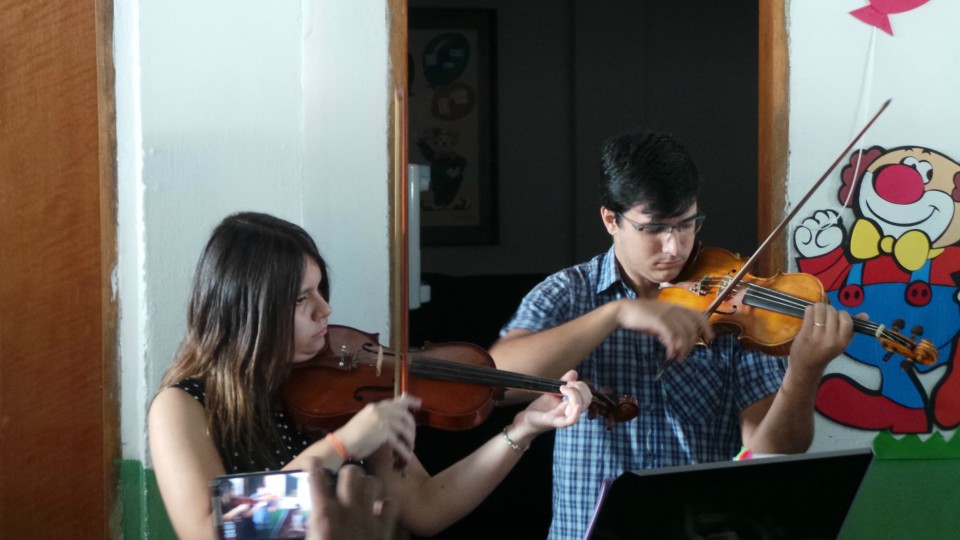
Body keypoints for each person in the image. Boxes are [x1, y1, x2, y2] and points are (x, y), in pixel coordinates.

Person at [488, 128, 860, 539]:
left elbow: (771, 452)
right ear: (611, 219)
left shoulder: (734, 298)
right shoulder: (568, 293)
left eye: (687, 224)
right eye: (654, 228)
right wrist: (615, 313)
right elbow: (497, 383)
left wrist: (804, 374)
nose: (674, 247)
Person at [147, 211, 593, 540]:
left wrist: (523, 429)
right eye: (303, 299)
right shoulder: (183, 406)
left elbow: (425, 506)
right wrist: (341, 446)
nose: (326, 310)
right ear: (250, 311)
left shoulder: (340, 387)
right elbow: (209, 532)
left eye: (321, 290)